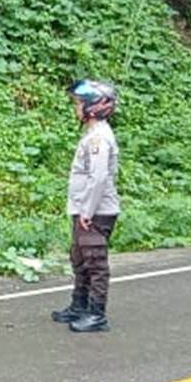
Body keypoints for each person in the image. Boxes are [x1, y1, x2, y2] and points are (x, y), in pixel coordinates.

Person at [51, 79, 120, 334]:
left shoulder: (99, 139)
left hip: (97, 212)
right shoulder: (92, 135)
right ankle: (79, 306)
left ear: (94, 107)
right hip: (86, 210)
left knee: (95, 263)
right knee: (80, 259)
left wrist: (87, 212)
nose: (75, 108)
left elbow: (98, 178)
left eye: (79, 103)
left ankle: (97, 314)